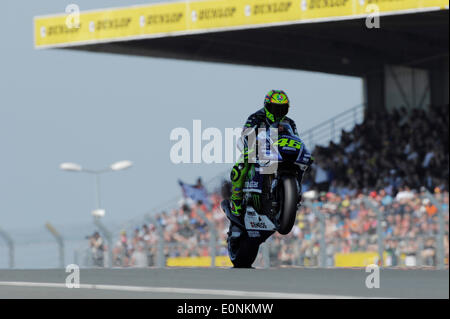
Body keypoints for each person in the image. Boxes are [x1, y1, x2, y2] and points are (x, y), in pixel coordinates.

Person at [229, 89, 302, 217]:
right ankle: (236, 198)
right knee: (241, 166)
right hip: (258, 147)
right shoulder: (256, 117)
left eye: (282, 109)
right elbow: (246, 134)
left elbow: (296, 138)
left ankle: (296, 193)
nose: (278, 112)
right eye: (274, 108)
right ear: (267, 106)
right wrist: (254, 144)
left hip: (280, 150)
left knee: (299, 163)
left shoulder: (290, 122)